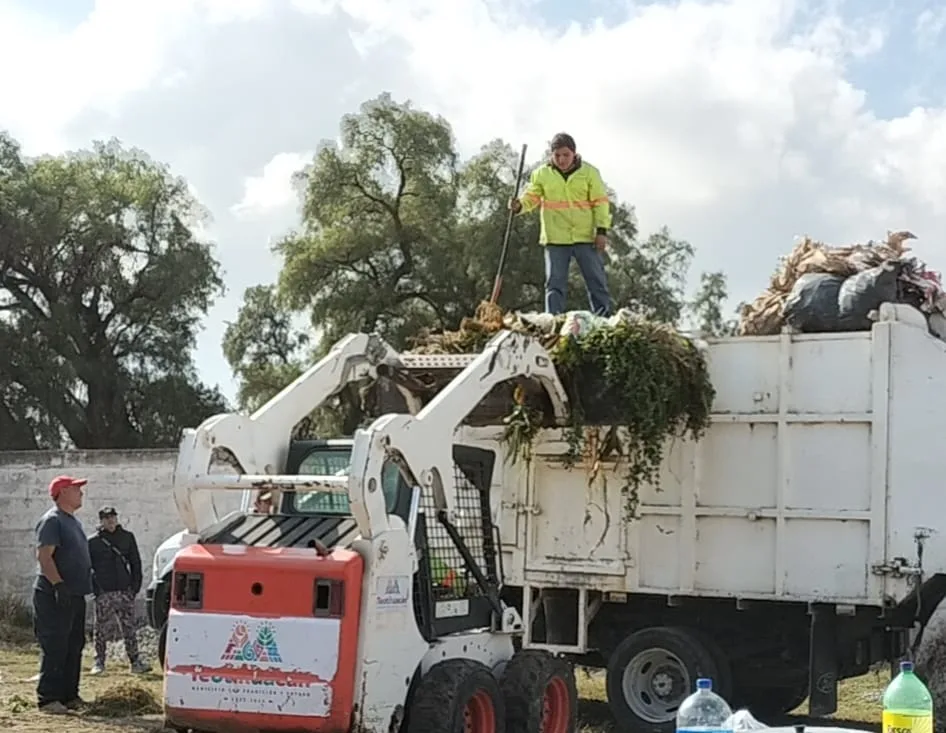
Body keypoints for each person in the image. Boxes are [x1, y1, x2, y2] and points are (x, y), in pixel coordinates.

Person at [510, 132, 613, 316]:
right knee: (554, 284)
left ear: (574, 153)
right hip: (555, 238)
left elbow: (601, 203)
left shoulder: (590, 173)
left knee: (596, 281)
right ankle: (553, 321)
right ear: (551, 155)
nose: (561, 159)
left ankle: (603, 319)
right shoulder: (541, 174)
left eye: (565, 155)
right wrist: (519, 206)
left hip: (586, 237)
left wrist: (602, 231)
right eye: (557, 155)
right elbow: (531, 197)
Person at [32, 475, 93, 715]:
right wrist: (58, 585)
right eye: (77, 489)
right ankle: (48, 698)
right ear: (63, 491)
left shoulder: (73, 522)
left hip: (75, 594)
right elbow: (44, 557)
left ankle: (69, 695)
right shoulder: (52, 521)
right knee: (56, 644)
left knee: (74, 644)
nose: (81, 493)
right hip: (55, 593)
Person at [88, 506, 150, 675]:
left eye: (113, 517)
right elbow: (88, 567)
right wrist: (96, 590)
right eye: (106, 518)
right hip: (104, 592)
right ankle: (99, 662)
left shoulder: (127, 538)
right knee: (101, 629)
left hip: (124, 591)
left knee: (129, 628)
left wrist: (135, 588)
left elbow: (135, 563)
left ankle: (135, 661)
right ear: (101, 521)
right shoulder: (93, 542)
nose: (110, 521)